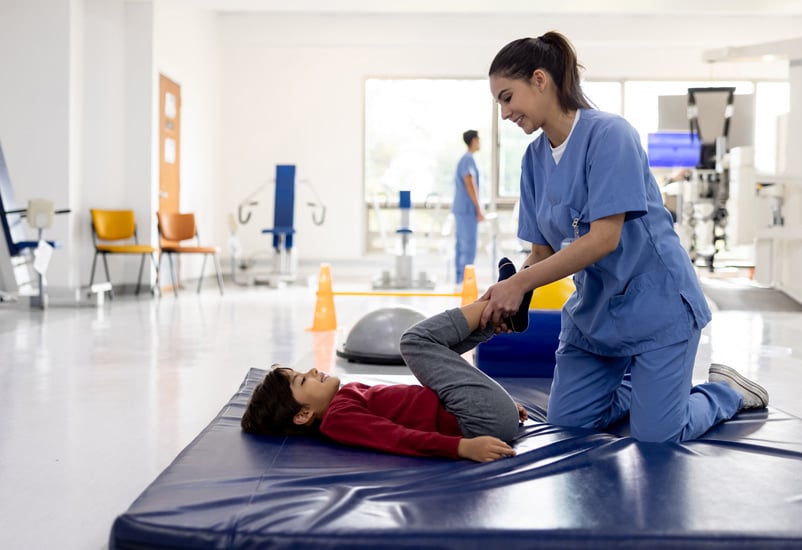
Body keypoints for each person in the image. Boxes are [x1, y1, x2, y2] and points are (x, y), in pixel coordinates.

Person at [479, 31, 769, 444]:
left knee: (658, 436)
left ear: (540, 80)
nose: (505, 112)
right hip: (595, 313)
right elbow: (540, 252)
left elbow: (603, 240)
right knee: (568, 427)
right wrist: (508, 297)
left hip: (658, 305)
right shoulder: (533, 160)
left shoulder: (610, 135)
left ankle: (727, 392)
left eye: (507, 97)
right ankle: (649, 394)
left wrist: (520, 283)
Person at [241, 259, 532, 462]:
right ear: (303, 414)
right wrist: (461, 447)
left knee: (436, 352)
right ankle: (498, 309)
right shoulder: (337, 419)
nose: (314, 370)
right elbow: (396, 437)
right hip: (474, 424)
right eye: (302, 380)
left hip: (478, 413)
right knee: (413, 343)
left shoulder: (343, 398)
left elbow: (439, 386)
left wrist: (498, 403)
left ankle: (500, 317)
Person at [452, 129, 484, 285]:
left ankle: (460, 280)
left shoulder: (465, 159)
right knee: (468, 246)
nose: (480, 142)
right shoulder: (468, 160)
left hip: (461, 209)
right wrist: (479, 207)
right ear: (473, 140)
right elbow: (469, 183)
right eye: (479, 139)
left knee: (461, 245)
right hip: (467, 210)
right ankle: (466, 282)